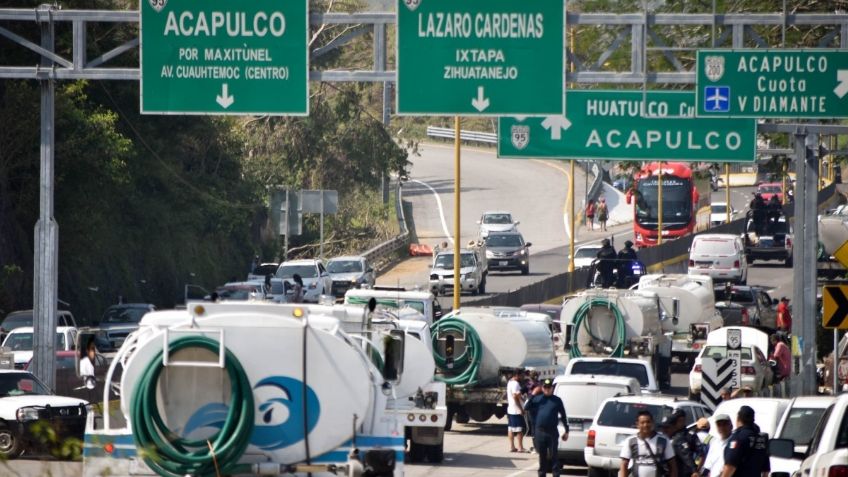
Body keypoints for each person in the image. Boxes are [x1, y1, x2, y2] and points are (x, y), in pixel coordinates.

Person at [525, 379, 569, 477]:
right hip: (540, 432)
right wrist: (532, 394)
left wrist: (567, 430)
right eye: (545, 387)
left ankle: (556, 474)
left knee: (554, 455)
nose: (547, 390)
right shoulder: (538, 399)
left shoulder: (557, 400)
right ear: (542, 388)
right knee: (542, 456)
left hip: (552, 432)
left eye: (549, 388)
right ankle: (542, 474)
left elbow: (563, 416)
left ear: (552, 388)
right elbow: (526, 407)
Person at [620, 410, 677, 477]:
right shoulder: (631, 441)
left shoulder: (663, 440)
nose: (645, 425)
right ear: (637, 424)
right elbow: (624, 464)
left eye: (648, 422)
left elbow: (672, 465)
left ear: (652, 423)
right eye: (642, 422)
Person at [720, 406, 769, 477]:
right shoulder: (761, 440)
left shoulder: (738, 438)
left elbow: (730, 467)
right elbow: (766, 471)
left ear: (738, 418)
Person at [663, 410, 700, 477]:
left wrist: (695, 470)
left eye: (667, 428)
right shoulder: (671, 437)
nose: (664, 430)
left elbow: (687, 455)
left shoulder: (679, 438)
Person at [507, 370, 529, 453]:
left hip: (510, 409)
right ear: (517, 375)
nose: (522, 377)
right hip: (516, 410)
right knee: (519, 430)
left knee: (511, 429)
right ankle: (520, 447)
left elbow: (517, 396)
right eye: (521, 375)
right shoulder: (516, 384)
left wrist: (523, 399)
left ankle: (512, 446)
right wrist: (521, 409)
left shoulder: (510, 382)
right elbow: (515, 397)